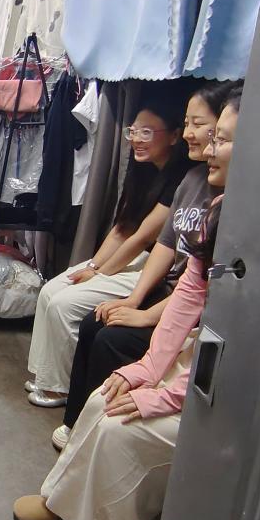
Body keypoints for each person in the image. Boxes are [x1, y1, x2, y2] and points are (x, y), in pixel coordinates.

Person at [11, 96, 239, 520]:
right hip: (188, 356)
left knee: (122, 428)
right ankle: (62, 504)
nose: (207, 146)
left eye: (219, 138)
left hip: (216, 386)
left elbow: (236, 345)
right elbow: (191, 292)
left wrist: (165, 393)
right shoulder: (213, 200)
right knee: (104, 396)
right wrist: (148, 369)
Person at [52, 81, 241, 450]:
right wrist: (132, 298)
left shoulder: (230, 210)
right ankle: (76, 422)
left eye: (207, 129)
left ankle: (94, 428)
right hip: (169, 294)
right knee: (93, 321)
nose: (196, 137)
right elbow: (167, 250)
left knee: (109, 337)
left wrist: (143, 313)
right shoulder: (192, 181)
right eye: (188, 123)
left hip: (187, 315)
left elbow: (189, 283)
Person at [26, 97, 194, 407]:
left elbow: (141, 238)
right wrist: (92, 265)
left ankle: (60, 387)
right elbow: (121, 229)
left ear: (174, 136)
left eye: (146, 132)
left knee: (64, 305)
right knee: (49, 291)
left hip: (149, 266)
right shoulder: (140, 171)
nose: (136, 139)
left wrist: (100, 273)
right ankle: (45, 374)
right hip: (131, 259)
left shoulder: (181, 180)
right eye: (133, 131)